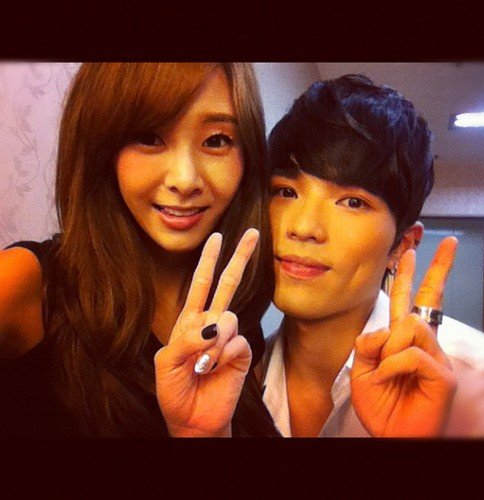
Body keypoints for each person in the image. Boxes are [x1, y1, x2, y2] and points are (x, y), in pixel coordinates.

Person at [0, 62, 280, 438]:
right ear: (101, 148)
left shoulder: (231, 313)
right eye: (149, 137)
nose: (185, 179)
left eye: (216, 141)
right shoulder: (26, 284)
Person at [258, 74, 484, 437]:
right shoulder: (235, 376)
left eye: (352, 202)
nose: (304, 227)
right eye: (286, 192)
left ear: (402, 246)